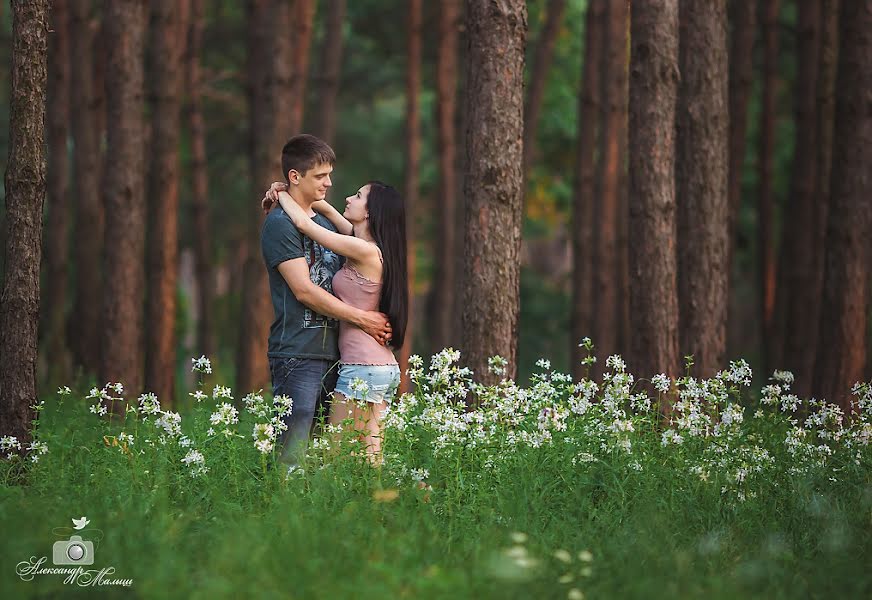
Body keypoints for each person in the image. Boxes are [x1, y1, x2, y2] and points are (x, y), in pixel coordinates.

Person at [260, 134, 392, 465]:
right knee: (293, 456)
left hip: (338, 356)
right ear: (296, 176)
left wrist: (284, 190)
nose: (329, 183)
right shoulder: (279, 225)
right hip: (298, 352)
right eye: (320, 176)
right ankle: (286, 514)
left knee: (329, 458)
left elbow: (321, 219)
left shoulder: (325, 225)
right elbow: (303, 290)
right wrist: (363, 319)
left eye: (329, 174)